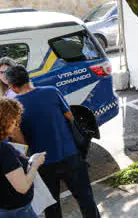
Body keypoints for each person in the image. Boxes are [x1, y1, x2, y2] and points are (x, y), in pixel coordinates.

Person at [5, 66, 99, 218]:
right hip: (70, 155)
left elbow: (20, 141)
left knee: (52, 207)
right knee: (85, 198)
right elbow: (70, 116)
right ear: (29, 78)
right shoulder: (51, 91)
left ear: (12, 86)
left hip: (42, 164)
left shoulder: (14, 106)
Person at [0, 97, 46, 218]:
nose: (16, 126)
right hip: (17, 210)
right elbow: (22, 187)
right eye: (15, 122)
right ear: (6, 121)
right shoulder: (4, 150)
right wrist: (34, 164)